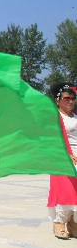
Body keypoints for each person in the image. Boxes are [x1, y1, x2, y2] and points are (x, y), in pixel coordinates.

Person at [47, 82, 77, 239]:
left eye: (73, 98)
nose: (71, 101)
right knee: (65, 191)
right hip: (63, 158)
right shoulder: (55, 117)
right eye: (66, 98)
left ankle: (72, 223)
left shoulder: (75, 117)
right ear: (57, 100)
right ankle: (58, 222)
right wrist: (67, 154)